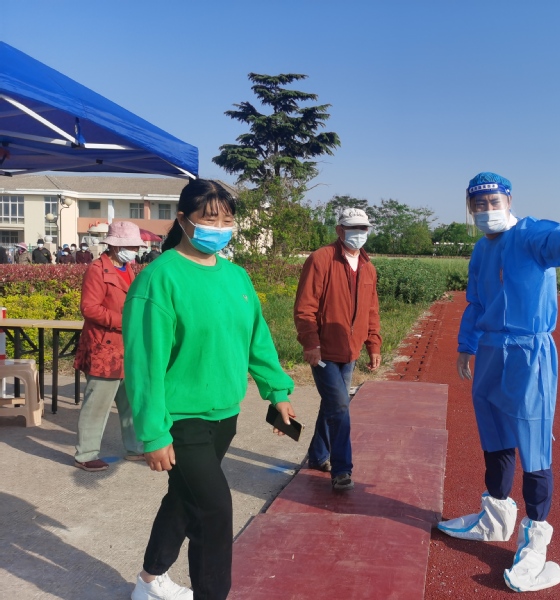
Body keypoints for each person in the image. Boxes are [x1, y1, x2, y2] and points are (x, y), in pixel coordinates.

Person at [437, 172, 560, 593]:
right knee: (493, 434)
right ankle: (494, 518)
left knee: (533, 442)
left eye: (493, 201)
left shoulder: (528, 235)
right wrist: (466, 345)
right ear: (470, 208)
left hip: (529, 351)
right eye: (479, 204)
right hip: (490, 348)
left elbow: (557, 241)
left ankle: (536, 538)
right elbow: (476, 302)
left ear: (508, 200)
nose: (487, 210)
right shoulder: (480, 250)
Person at [123, 178, 295, 600]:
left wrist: (277, 392)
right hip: (181, 419)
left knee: (185, 499)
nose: (220, 228)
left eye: (227, 220)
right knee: (215, 510)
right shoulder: (160, 278)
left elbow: (256, 340)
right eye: (210, 219)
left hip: (224, 416)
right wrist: (153, 433)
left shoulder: (236, 277)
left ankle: (149, 581)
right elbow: (144, 364)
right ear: (183, 220)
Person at [294, 207, 382, 492]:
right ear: (339, 230)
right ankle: (342, 470)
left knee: (333, 405)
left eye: (363, 228)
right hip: (324, 351)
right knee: (341, 406)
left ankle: (318, 455)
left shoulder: (368, 267)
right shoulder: (321, 259)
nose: (359, 233)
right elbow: (305, 307)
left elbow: (371, 310)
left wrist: (373, 345)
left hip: (350, 351)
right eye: (353, 228)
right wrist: (311, 343)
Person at [73, 222, 146, 471]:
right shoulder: (97, 269)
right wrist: (124, 321)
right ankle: (85, 454)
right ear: (115, 246)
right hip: (104, 347)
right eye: (130, 246)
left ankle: (135, 448)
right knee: (98, 403)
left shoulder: (128, 268)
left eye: (135, 246)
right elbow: (89, 308)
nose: (135, 250)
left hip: (126, 346)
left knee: (131, 401)